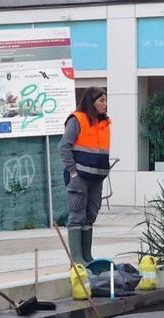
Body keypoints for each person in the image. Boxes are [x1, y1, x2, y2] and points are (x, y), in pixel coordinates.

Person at [58, 86, 111, 265]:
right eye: (101, 100)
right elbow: (64, 146)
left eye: (105, 100)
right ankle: (77, 259)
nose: (105, 104)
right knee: (77, 215)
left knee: (91, 215)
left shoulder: (104, 123)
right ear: (91, 102)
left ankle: (87, 257)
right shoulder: (77, 120)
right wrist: (73, 172)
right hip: (79, 177)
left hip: (97, 178)